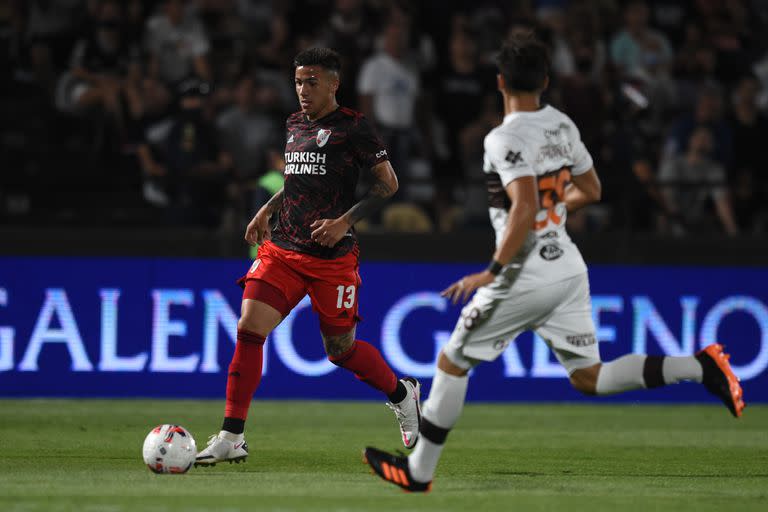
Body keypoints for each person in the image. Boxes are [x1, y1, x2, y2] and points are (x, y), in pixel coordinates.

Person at [363, 33, 746, 493]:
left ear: (500, 81)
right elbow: (591, 190)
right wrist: (551, 213)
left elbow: (523, 205)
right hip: (565, 264)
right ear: (545, 80)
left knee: (452, 360)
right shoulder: (562, 125)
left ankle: (418, 472)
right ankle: (700, 366)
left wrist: (493, 270)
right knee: (590, 376)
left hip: (523, 274)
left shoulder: (502, 137)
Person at [195, 48, 421, 466]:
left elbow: (389, 184)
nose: (303, 90)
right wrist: (268, 208)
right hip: (283, 249)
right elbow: (298, 179)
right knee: (249, 327)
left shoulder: (354, 127)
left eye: (312, 81)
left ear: (334, 84)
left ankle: (402, 394)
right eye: (298, 81)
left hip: (331, 258)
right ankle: (231, 435)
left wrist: (345, 222)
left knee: (340, 351)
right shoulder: (295, 123)